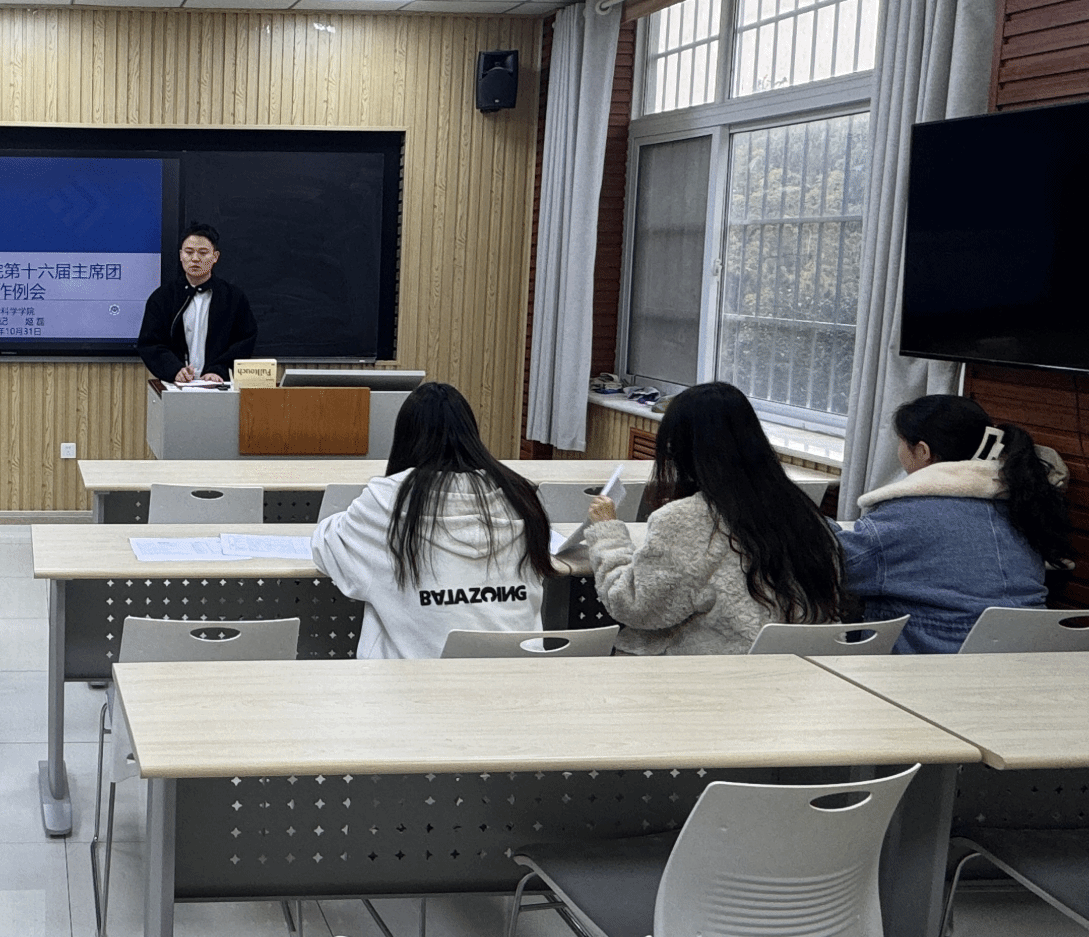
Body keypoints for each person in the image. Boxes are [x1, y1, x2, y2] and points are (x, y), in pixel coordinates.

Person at [583, 382, 844, 655]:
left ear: (681, 450)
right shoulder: (804, 511)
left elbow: (632, 605)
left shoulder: (684, 520)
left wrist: (608, 532)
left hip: (710, 670)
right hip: (798, 666)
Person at [311, 383, 556, 658]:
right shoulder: (519, 495)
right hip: (517, 675)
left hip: (409, 680)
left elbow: (326, 546)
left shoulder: (387, 500)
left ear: (404, 438)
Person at [841, 395, 1070, 653]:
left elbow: (830, 563)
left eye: (901, 442)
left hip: (934, 664)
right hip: (1028, 660)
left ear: (922, 451)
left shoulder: (905, 515)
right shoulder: (1024, 507)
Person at [135, 222, 259, 384]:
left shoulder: (233, 297)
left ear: (215, 257)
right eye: (189, 252)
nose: (195, 258)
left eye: (203, 253)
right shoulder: (163, 297)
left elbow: (245, 341)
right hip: (176, 384)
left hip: (219, 383)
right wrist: (174, 369)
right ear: (181, 255)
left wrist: (219, 369)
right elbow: (150, 343)